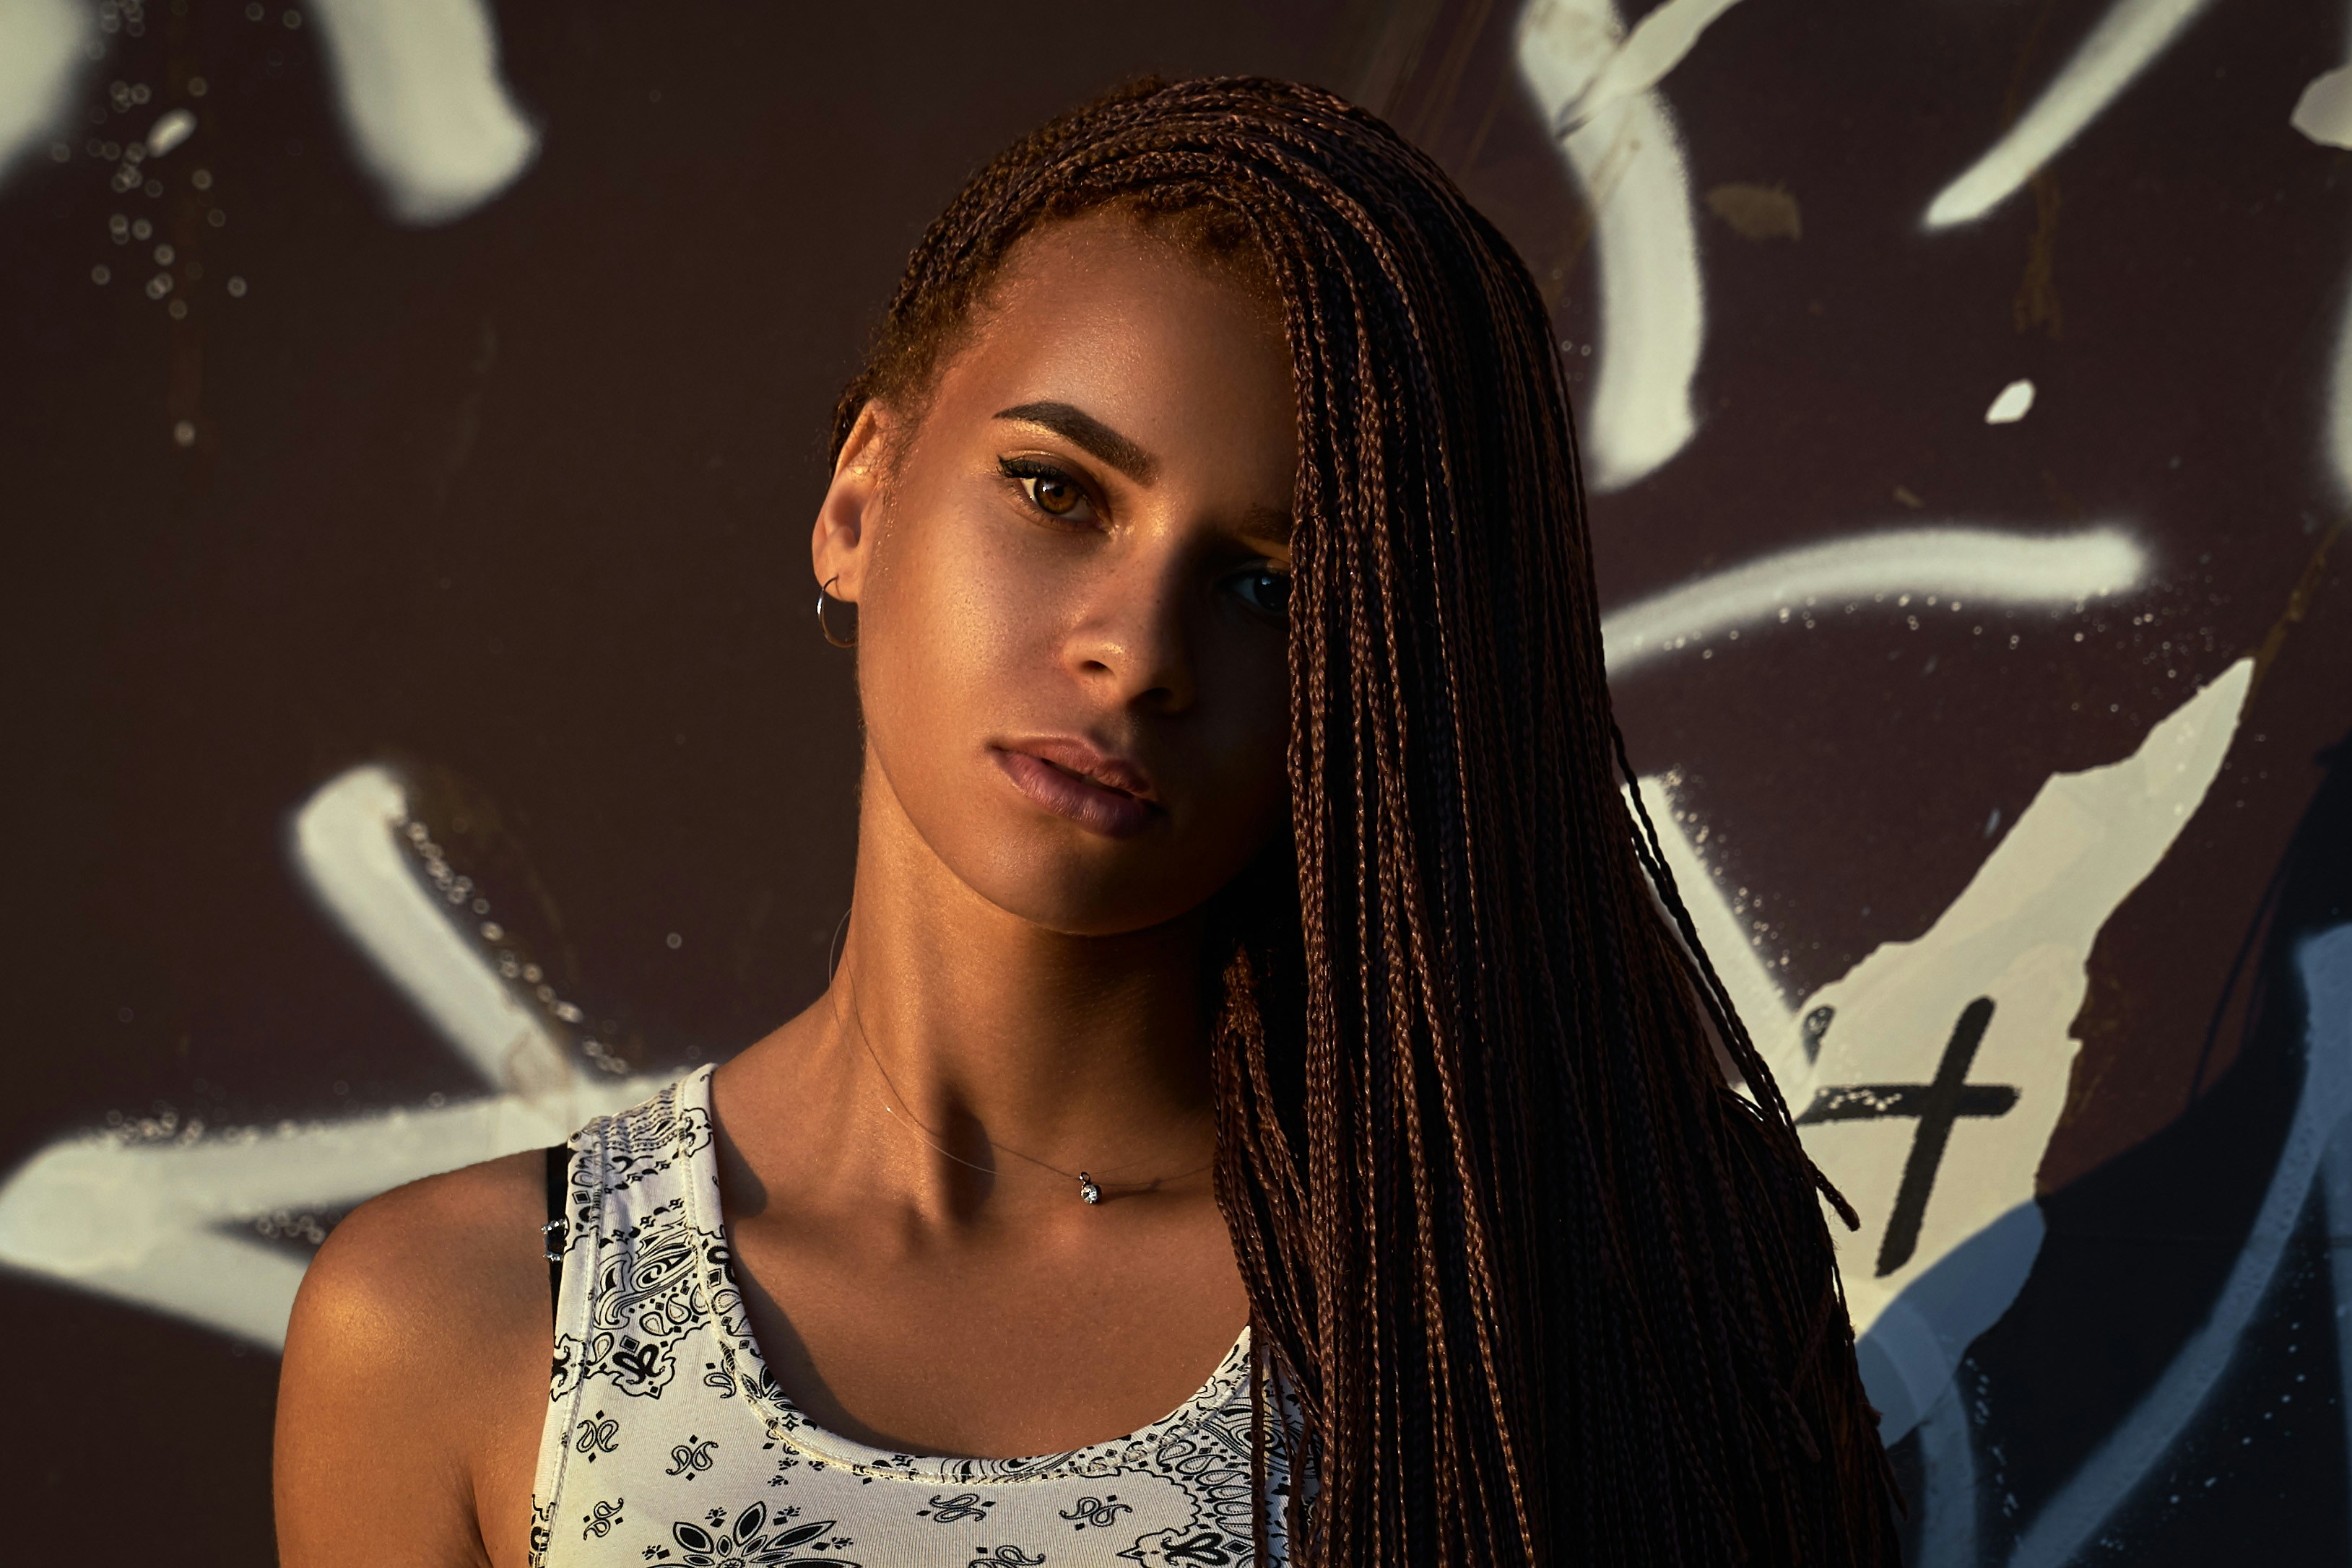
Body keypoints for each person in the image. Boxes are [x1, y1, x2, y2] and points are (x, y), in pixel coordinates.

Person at [274, 76, 1904, 1567]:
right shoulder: (463, 1326)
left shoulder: (1557, 1293)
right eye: (1059, 491)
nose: (1136, 651)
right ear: (861, 502)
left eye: (1276, 586)